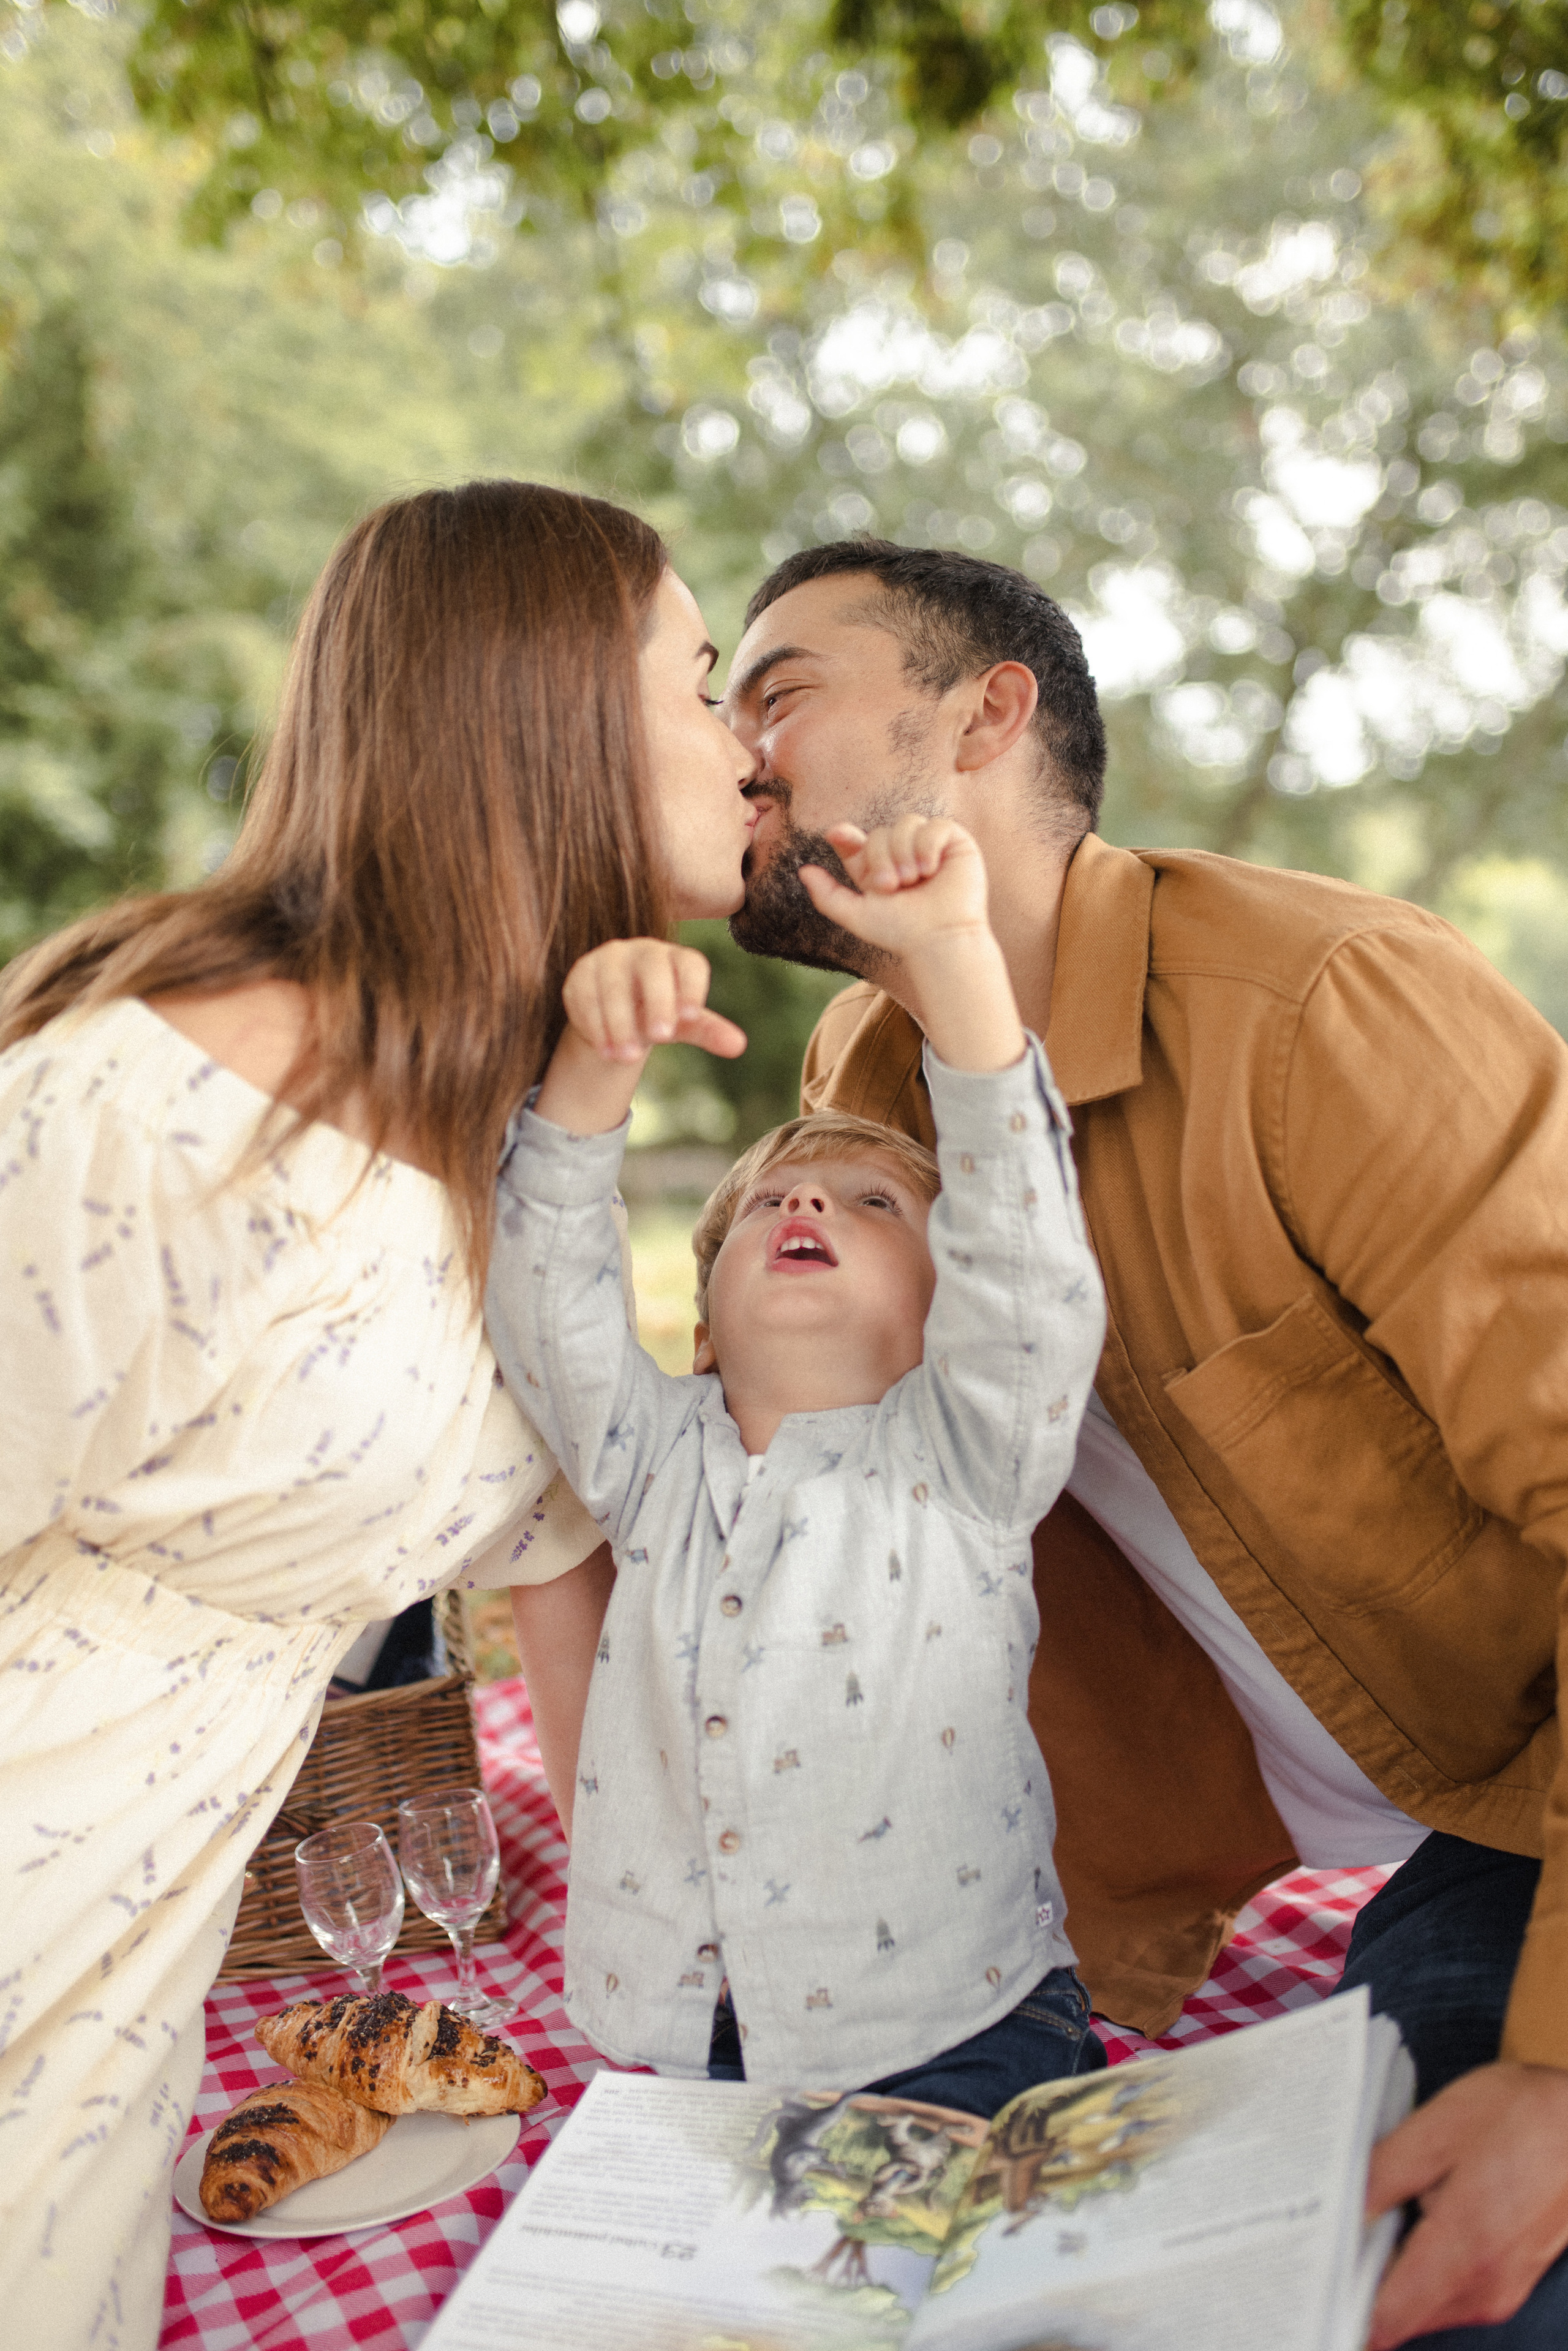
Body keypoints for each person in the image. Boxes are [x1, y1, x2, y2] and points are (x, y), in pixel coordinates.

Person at [707, 537, 1568, 2351]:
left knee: (1445, 2268)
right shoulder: (861, 1076)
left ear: (988, 716)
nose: (733, 755)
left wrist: (1560, 2069)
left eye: (776, 690)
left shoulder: (1323, 1005)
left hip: (1522, 1791)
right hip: (1162, 1837)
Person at [0, 479, 757, 2350]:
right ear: (552, 710)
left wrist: (677, 2020)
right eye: (705, 680)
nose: (747, 749)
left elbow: (565, 1564)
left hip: (126, 1977)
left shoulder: (514, 1136)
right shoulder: (143, 1098)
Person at [486, 813, 1107, 2115]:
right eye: (764, 1203)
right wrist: (595, 1069)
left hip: (955, 2024)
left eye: (874, 1204)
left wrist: (956, 968)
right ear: (705, 1320)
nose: (804, 1202)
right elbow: (549, 1297)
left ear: (950, 1310)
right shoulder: (647, 1456)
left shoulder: (966, 1454)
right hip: (666, 2033)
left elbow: (1030, 1265)